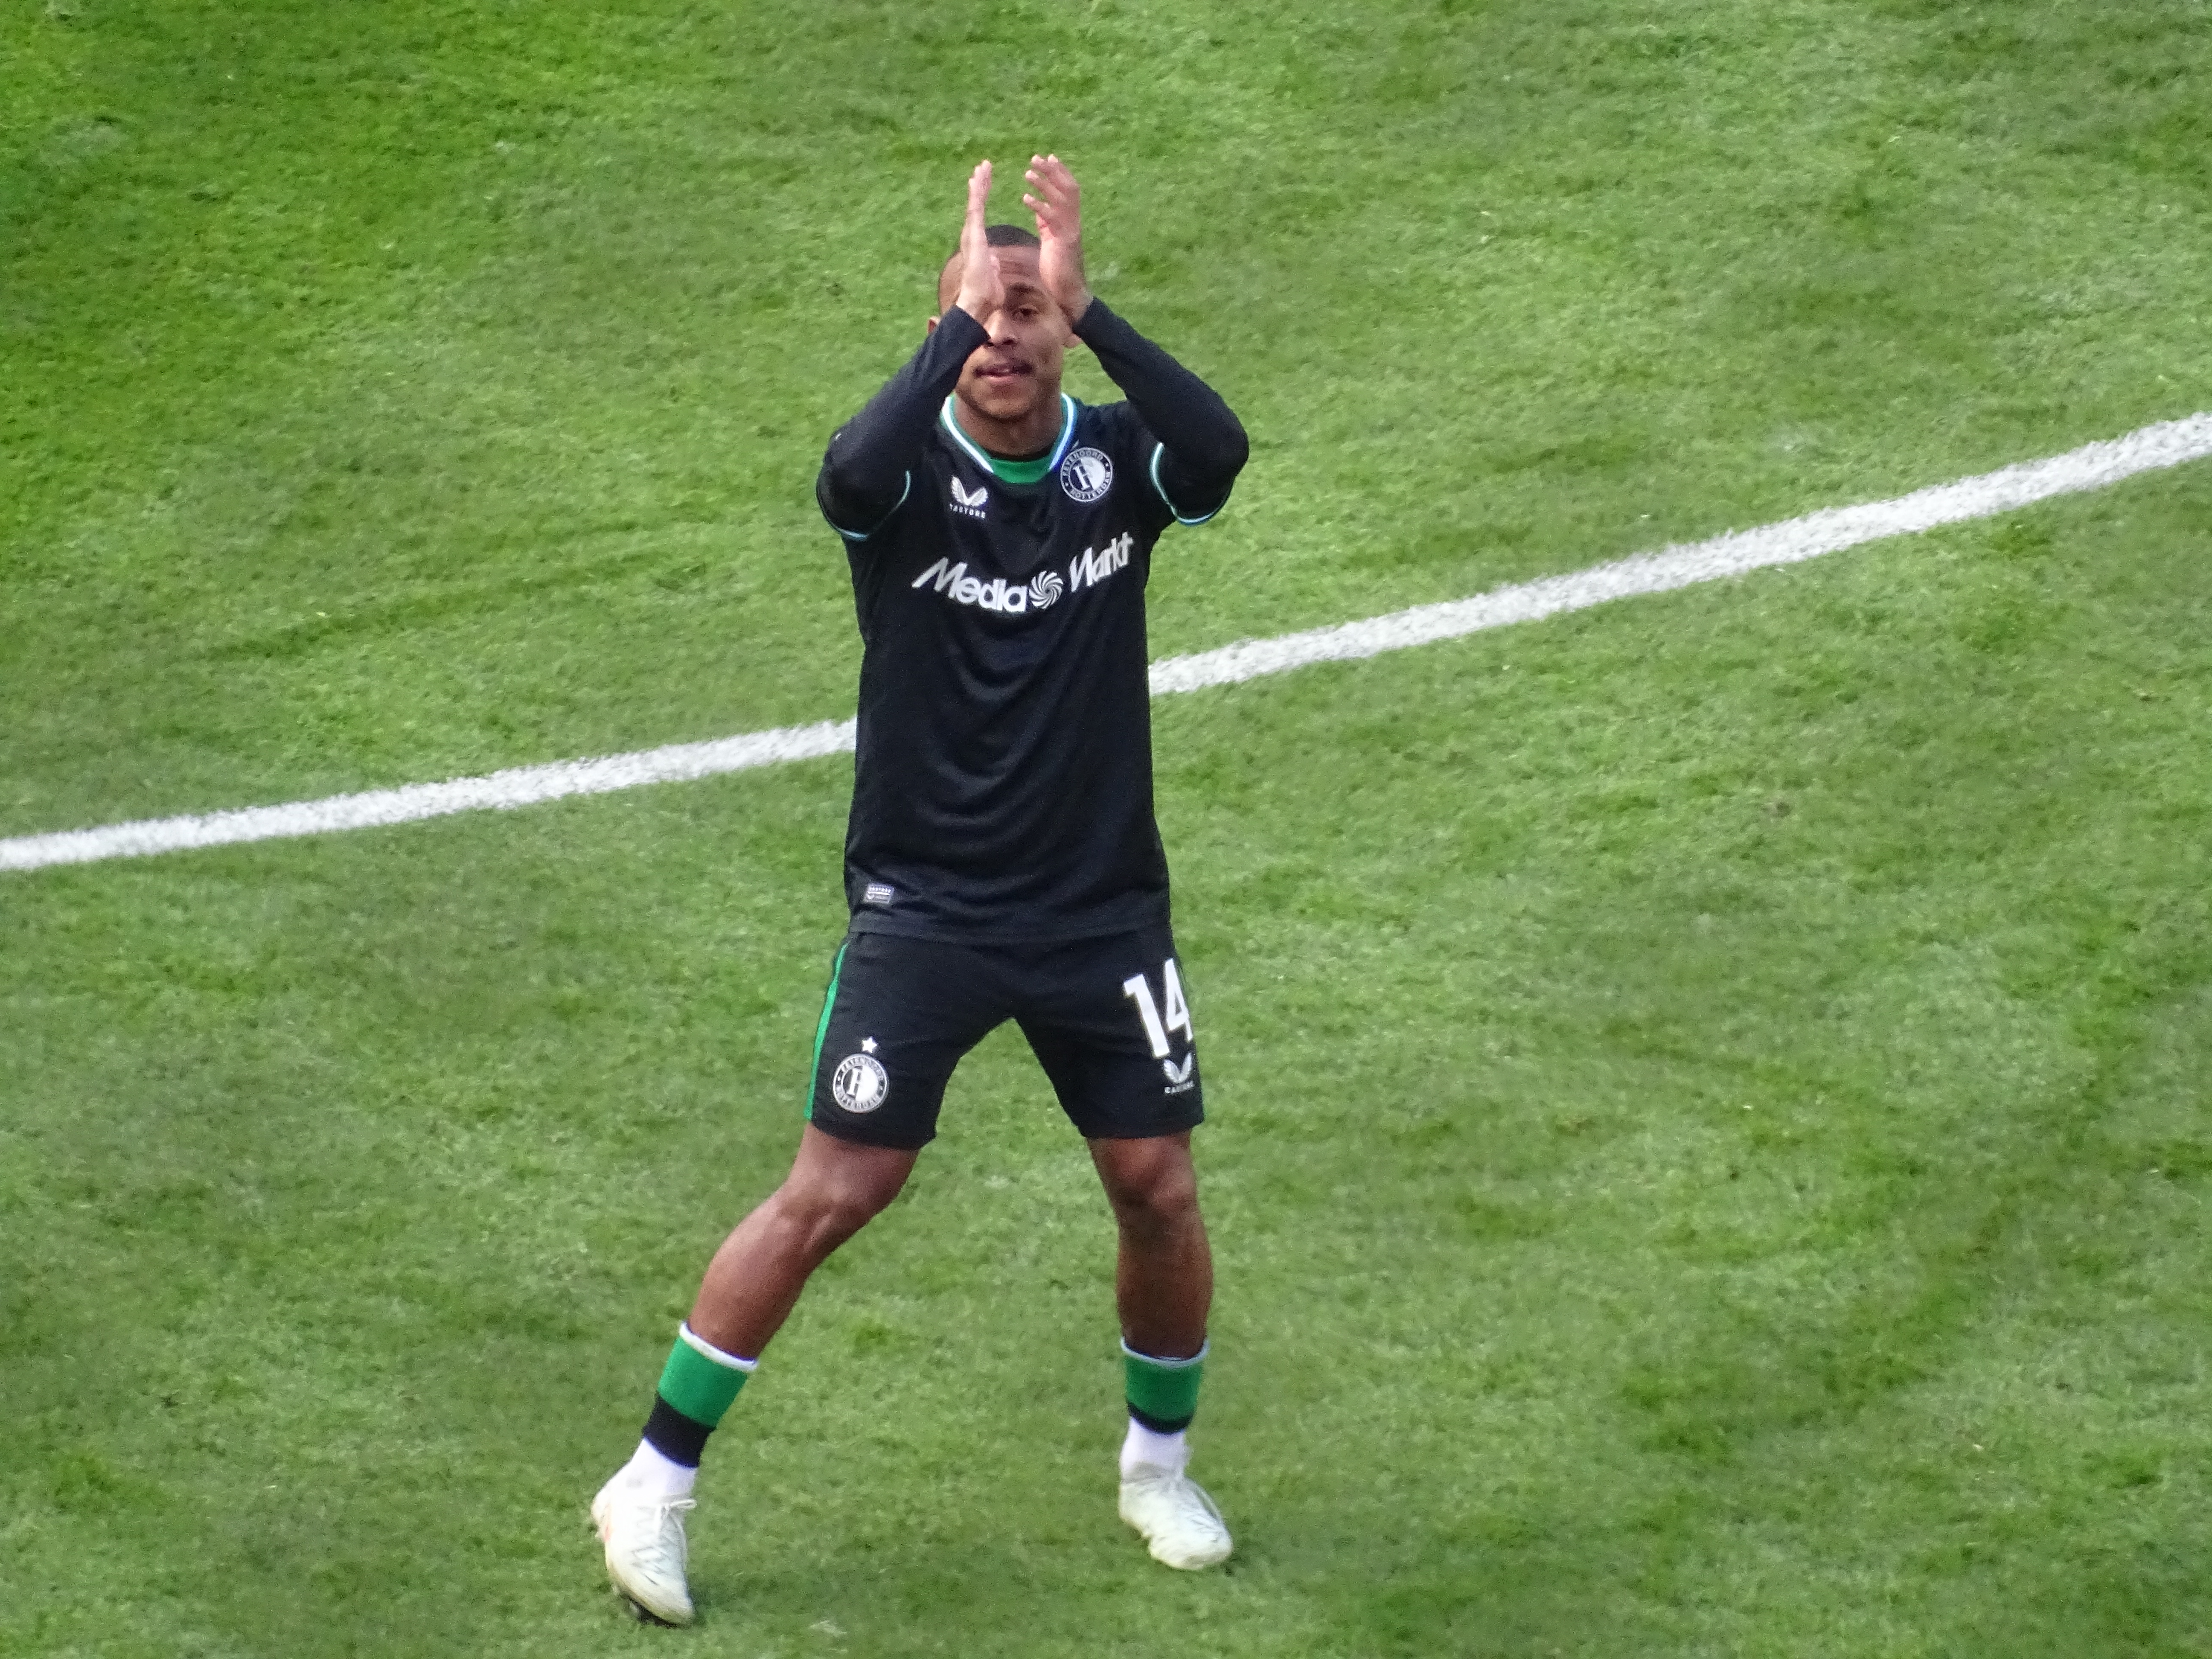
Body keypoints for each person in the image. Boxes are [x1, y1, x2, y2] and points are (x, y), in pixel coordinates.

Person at [589, 155, 1250, 1626]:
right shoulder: (901, 483)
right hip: (927, 915)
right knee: (839, 1187)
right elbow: (844, 469)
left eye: (1031, 320)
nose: (1008, 342)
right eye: (983, 318)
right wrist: (959, 318)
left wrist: (1095, 308)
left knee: (1157, 1185)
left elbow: (1220, 452)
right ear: (946, 326)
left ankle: (1157, 1469)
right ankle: (655, 1480)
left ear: (1063, 334)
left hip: (1099, 917)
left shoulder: (1113, 468)